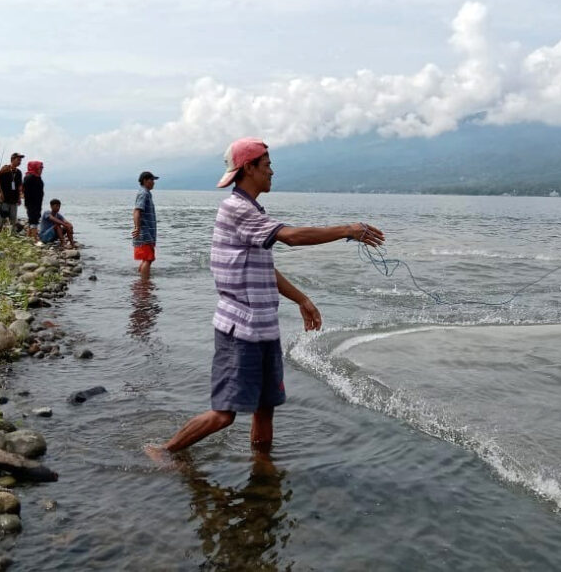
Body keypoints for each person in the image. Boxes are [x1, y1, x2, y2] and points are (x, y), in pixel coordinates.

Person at [147, 138, 384, 458]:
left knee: (265, 406)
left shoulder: (252, 210)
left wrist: (301, 299)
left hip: (263, 328)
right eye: (267, 165)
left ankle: (263, 471)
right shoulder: (237, 209)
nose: (272, 171)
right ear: (249, 168)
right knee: (225, 413)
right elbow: (291, 237)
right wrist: (347, 229)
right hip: (239, 329)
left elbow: (264, 270)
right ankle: (164, 451)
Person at [132, 170, 158, 279]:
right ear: (145, 180)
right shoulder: (143, 193)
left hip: (148, 233)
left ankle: (141, 285)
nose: (153, 182)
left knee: (147, 259)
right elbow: (137, 211)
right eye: (152, 180)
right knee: (148, 259)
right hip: (145, 233)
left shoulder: (146, 193)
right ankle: (144, 284)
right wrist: (138, 228)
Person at [0, 153, 24, 233]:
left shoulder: (19, 172)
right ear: (12, 160)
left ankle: (12, 235)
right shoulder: (5, 169)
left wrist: (19, 197)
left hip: (14, 200)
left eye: (20, 160)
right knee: (1, 219)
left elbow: (19, 186)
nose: (19, 162)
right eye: (18, 160)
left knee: (13, 220)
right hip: (4, 199)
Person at [23, 160, 44, 240]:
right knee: (33, 220)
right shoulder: (29, 177)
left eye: (42, 168)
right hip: (31, 203)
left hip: (37, 203)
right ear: (35, 167)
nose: (41, 169)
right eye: (40, 168)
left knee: (34, 219)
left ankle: (29, 237)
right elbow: (25, 191)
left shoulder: (38, 178)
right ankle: (35, 239)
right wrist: (27, 203)